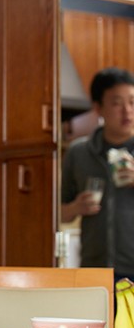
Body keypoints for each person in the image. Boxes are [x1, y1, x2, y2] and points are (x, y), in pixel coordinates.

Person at [61, 67, 134, 283]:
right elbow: (59, 213)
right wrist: (75, 208)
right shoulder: (78, 152)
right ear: (98, 108)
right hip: (94, 271)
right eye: (117, 103)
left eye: (132, 101)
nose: (127, 111)